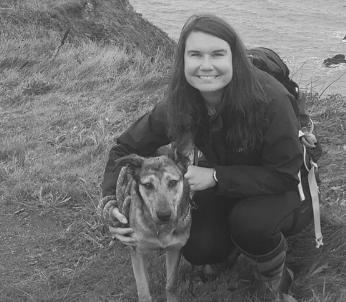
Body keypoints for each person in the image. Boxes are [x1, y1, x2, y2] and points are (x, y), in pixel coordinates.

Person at [99, 14, 313, 301]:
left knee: (251, 222)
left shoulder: (271, 100)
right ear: (182, 61)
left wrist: (214, 177)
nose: (206, 65)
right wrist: (110, 203)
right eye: (195, 54)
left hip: (285, 187)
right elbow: (123, 148)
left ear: (234, 58)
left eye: (218, 54)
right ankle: (234, 247)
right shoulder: (181, 103)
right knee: (198, 248)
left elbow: (285, 173)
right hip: (225, 184)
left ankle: (276, 276)